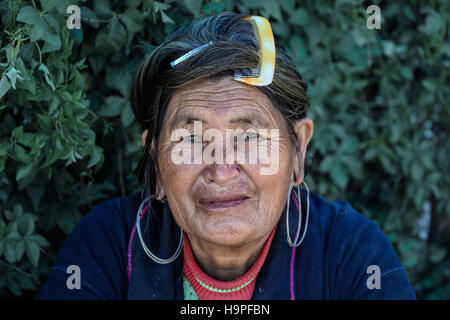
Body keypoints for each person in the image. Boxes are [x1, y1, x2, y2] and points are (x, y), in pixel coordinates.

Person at [36, 12, 416, 300]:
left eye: (249, 136)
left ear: (298, 150)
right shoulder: (110, 244)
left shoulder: (350, 251)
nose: (221, 169)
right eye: (191, 138)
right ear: (155, 162)